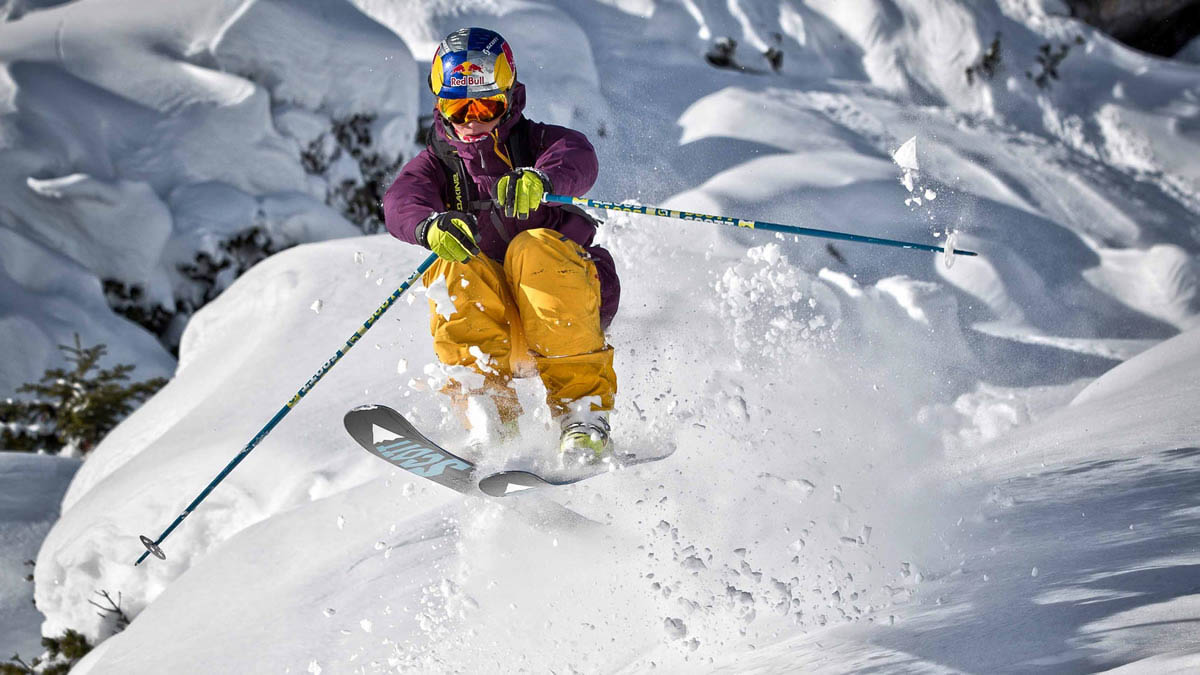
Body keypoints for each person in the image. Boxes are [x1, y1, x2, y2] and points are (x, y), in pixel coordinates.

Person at [382, 27, 619, 464]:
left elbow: (578, 155)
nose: (473, 119)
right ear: (440, 106)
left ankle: (583, 417)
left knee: (534, 247)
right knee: (450, 264)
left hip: (570, 309)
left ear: (508, 97)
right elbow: (400, 201)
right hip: (499, 328)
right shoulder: (435, 167)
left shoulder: (539, 143)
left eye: (486, 104)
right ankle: (492, 415)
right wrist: (428, 226)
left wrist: (544, 180)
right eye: (458, 107)